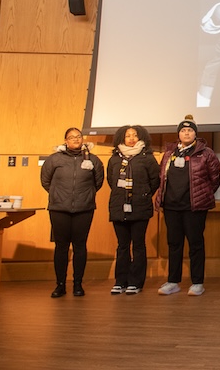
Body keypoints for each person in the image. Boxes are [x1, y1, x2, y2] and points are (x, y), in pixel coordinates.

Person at [155, 115, 220, 296]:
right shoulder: (169, 153)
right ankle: (173, 281)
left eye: (190, 130)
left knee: (196, 244)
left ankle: (197, 282)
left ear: (195, 134)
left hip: (195, 207)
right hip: (171, 206)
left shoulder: (206, 153)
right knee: (174, 244)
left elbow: (214, 180)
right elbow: (162, 177)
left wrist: (202, 195)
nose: (186, 133)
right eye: (183, 130)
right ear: (178, 134)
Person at [40, 128, 104, 298]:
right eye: (72, 137)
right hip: (59, 209)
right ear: (65, 141)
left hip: (84, 208)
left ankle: (78, 284)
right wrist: (58, 195)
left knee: (80, 246)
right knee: (61, 247)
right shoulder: (54, 159)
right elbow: (45, 181)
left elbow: (98, 182)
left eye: (78, 136)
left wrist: (85, 196)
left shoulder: (93, 159)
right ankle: (60, 285)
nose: (76, 139)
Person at [107, 125, 160, 295]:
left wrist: (142, 194)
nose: (131, 138)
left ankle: (136, 283)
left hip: (140, 206)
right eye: (127, 135)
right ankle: (120, 281)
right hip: (118, 206)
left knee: (138, 245)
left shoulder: (148, 158)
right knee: (122, 245)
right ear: (121, 138)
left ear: (141, 137)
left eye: (134, 135)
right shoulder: (114, 159)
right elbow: (110, 180)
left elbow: (155, 182)